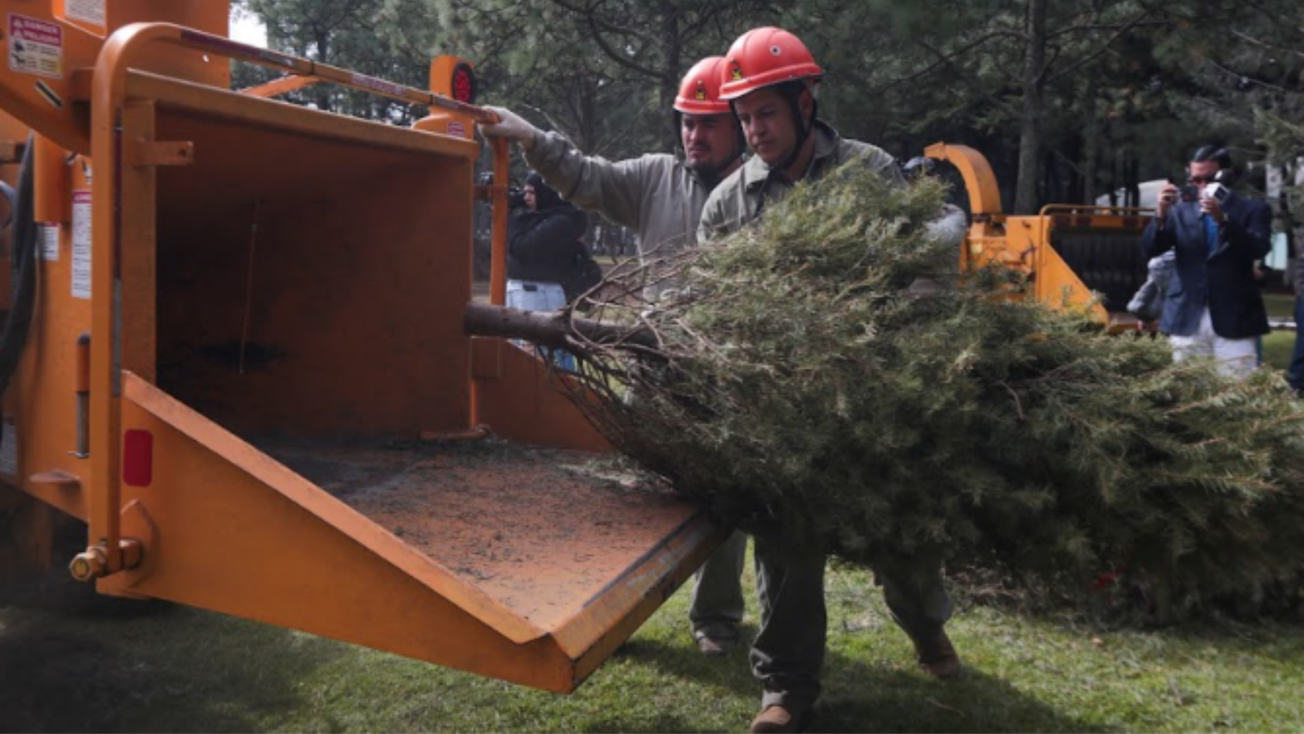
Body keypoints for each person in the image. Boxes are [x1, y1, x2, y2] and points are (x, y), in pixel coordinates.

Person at [698, 27, 960, 734]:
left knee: (902, 534)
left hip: (875, 391)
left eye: (767, 115)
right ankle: (785, 690)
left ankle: (925, 624)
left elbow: (918, 269)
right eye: (744, 119)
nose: (755, 131)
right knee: (783, 538)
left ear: (805, 102)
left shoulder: (868, 172)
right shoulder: (727, 205)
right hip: (785, 406)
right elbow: (715, 310)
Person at [480, 58, 752, 657]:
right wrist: (530, 138)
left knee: (725, 499)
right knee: (632, 488)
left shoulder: (760, 191)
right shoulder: (656, 178)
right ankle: (610, 611)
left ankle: (716, 620)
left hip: (727, 373)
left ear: (737, 125)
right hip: (652, 370)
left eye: (707, 125)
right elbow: (587, 177)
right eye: (686, 122)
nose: (693, 136)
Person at [1141, 146, 1272, 380]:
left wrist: (1224, 221)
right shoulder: (1178, 211)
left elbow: (1258, 247)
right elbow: (1151, 249)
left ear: (1227, 175)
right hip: (1186, 312)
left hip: (1235, 313)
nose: (1200, 185)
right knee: (1188, 389)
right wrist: (1160, 213)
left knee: (1237, 389)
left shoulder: (1253, 209)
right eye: (1195, 179)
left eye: (1208, 179)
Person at [506, 172, 590, 369]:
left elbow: (521, 248)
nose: (525, 198)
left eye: (532, 193)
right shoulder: (539, 218)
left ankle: (563, 393)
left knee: (544, 355)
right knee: (520, 353)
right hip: (525, 291)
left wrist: (506, 214)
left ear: (546, 194)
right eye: (524, 193)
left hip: (540, 293)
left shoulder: (560, 221)